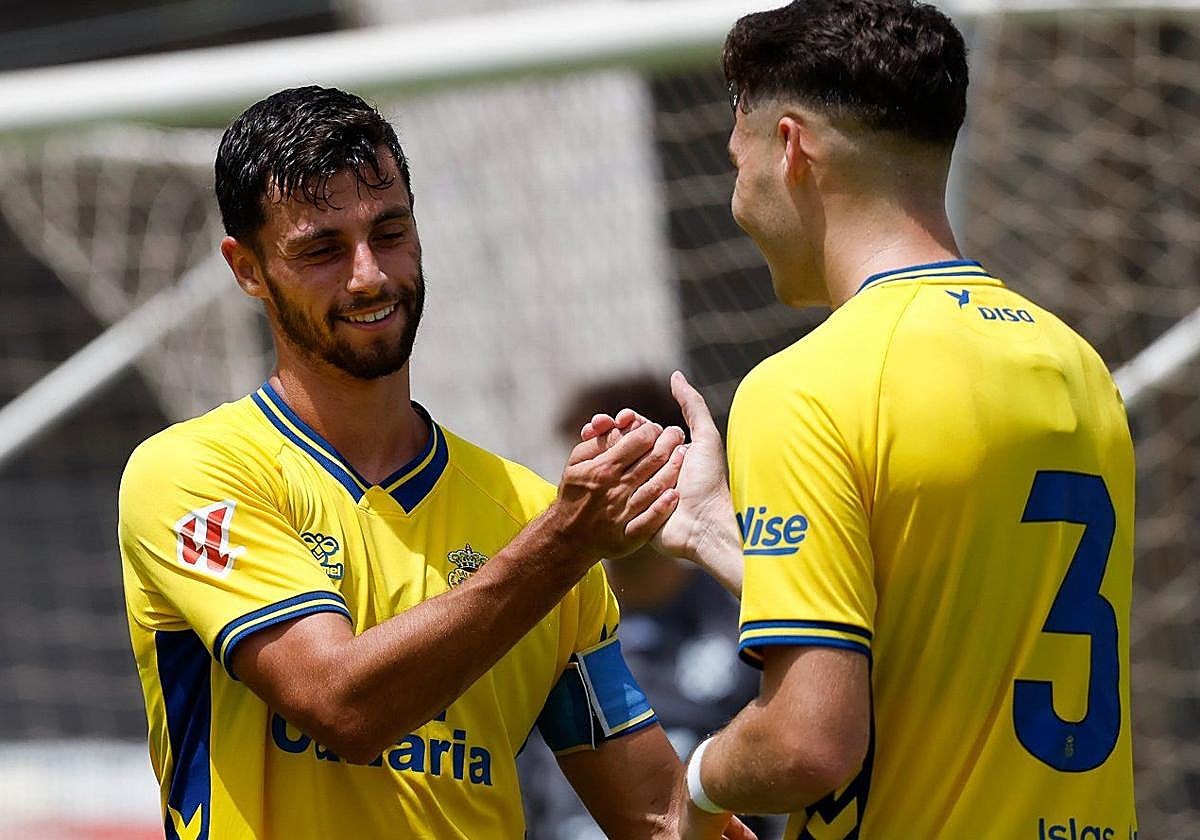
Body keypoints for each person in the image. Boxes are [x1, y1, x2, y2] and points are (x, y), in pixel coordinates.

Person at [117, 86, 754, 840]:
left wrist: (772, 592)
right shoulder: (193, 473)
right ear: (247, 268)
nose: (369, 276)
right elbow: (343, 708)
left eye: (389, 232)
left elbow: (660, 816)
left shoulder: (526, 509)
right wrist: (568, 542)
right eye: (322, 249)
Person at [587, 2, 1137, 837]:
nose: (737, 203)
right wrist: (717, 535)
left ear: (791, 148)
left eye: (736, 163)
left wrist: (691, 786)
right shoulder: (1075, 366)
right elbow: (946, 632)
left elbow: (811, 744)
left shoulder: (807, 387)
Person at [517, 375, 782, 840]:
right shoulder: (548, 617)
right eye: (590, 468)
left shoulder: (744, 608)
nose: (605, 490)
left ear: (674, 468)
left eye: (629, 467)